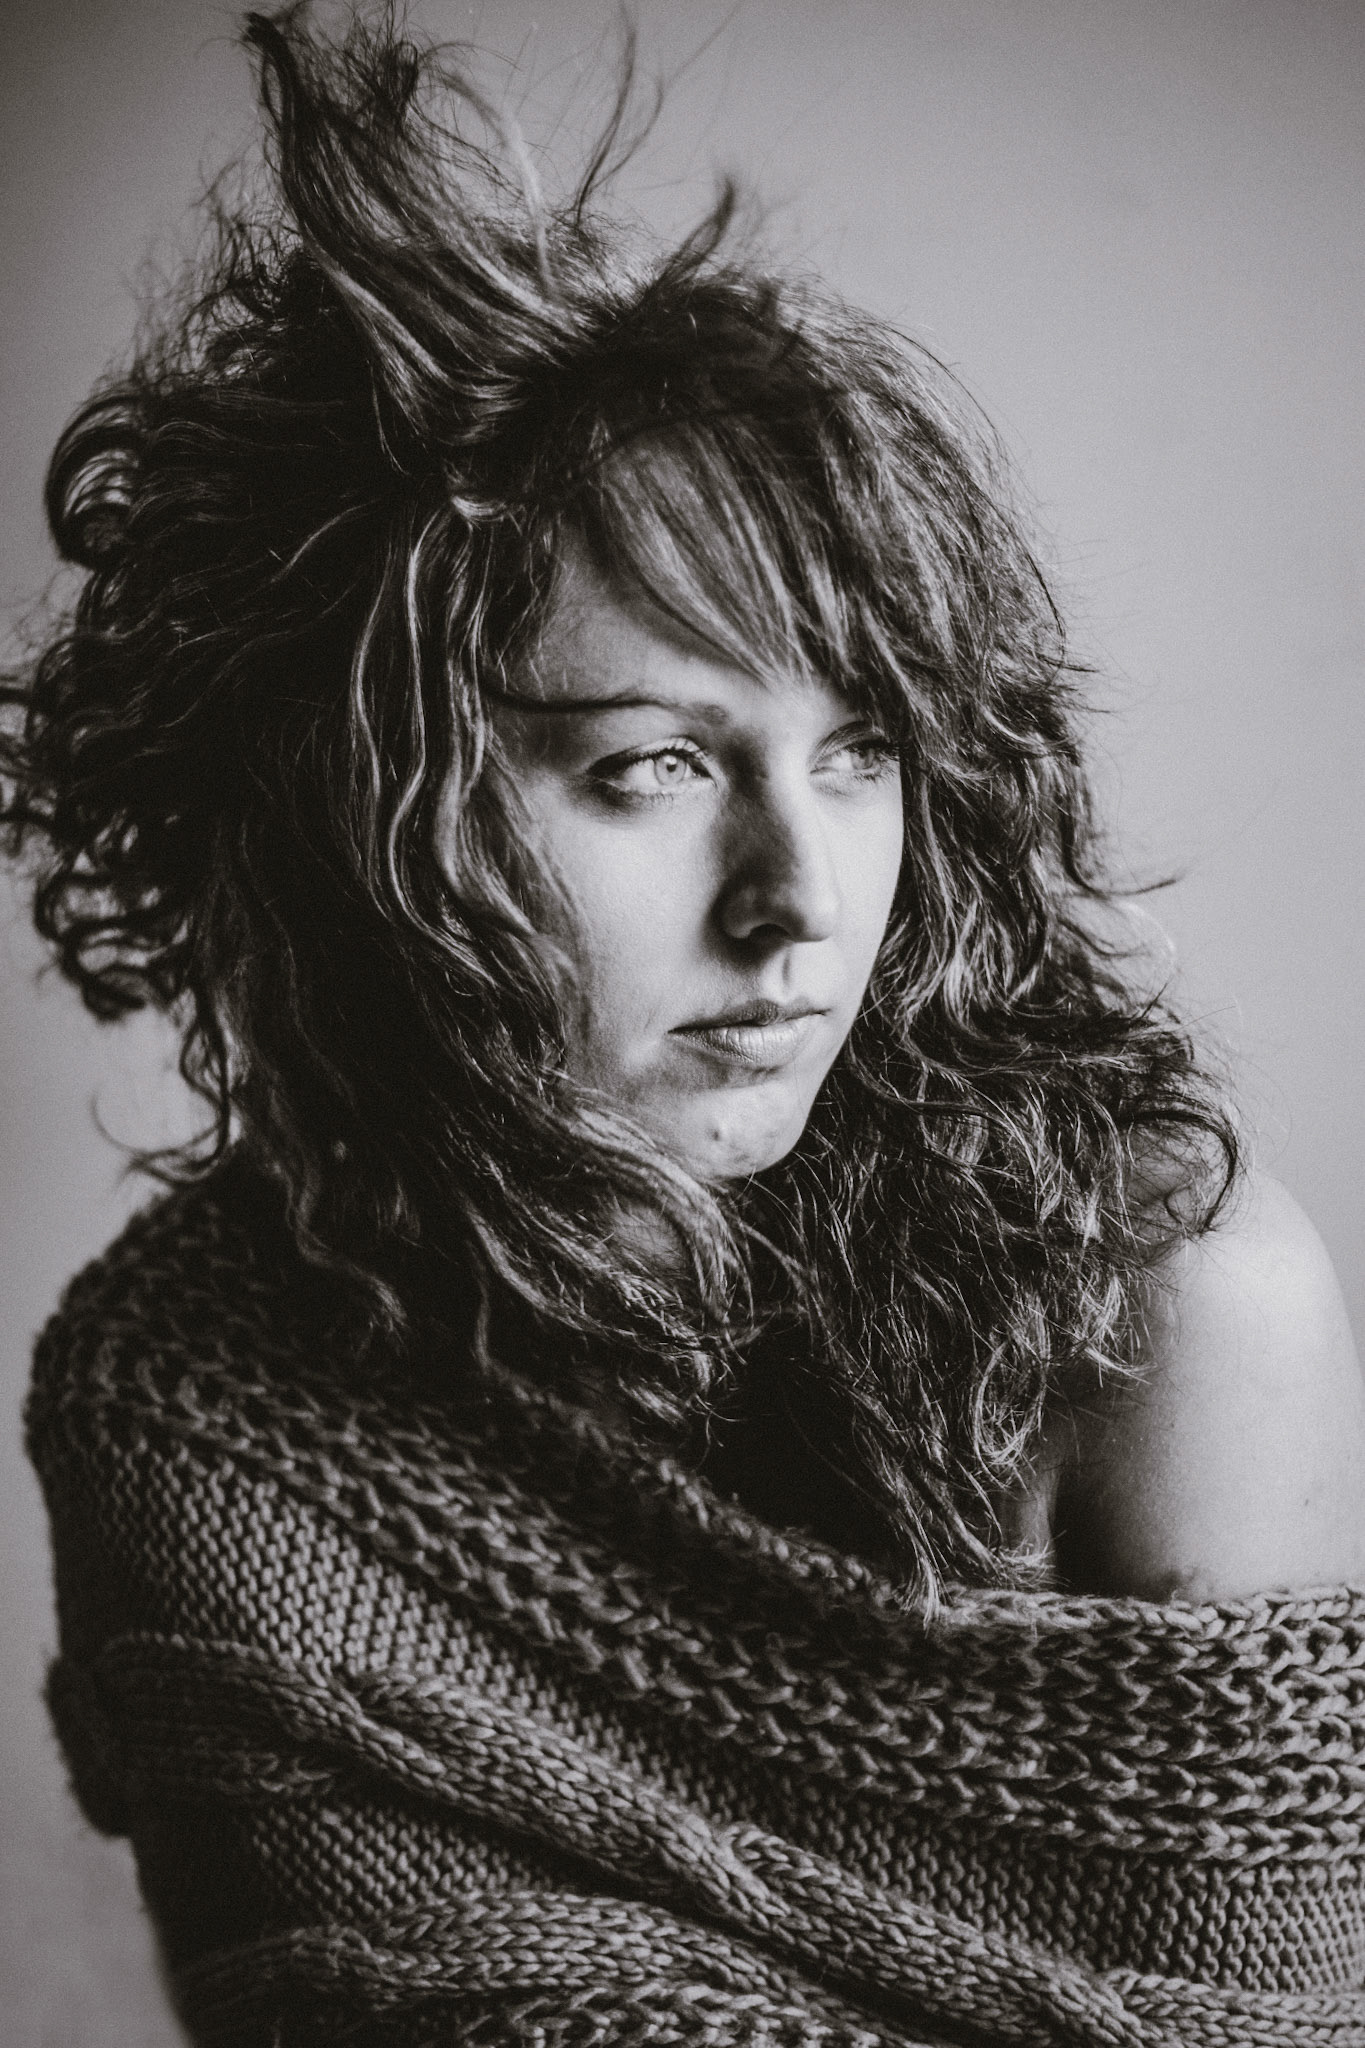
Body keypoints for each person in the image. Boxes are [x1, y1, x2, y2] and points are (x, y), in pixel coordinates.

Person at [7, 9, 1364, 2044]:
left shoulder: (1152, 1299)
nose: (798, 899)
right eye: (647, 766)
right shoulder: (197, 1403)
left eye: (859, 754)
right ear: (354, 812)